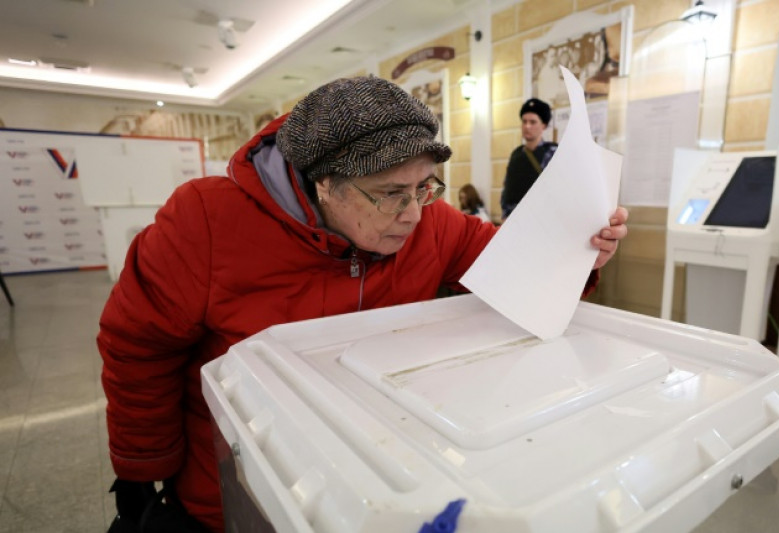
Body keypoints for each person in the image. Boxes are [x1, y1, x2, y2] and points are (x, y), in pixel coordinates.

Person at [98, 75, 628, 533]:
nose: (414, 214)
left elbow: (517, 271)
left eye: (425, 187)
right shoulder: (204, 222)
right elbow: (138, 348)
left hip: (380, 476)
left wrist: (582, 250)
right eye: (391, 192)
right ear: (324, 185)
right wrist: (144, 472)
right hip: (239, 482)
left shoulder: (433, 223)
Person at [500, 98, 558, 219]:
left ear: (544, 125)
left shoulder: (553, 153)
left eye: (533, 122)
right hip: (514, 220)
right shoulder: (516, 154)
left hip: (542, 220)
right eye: (524, 121)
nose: (527, 126)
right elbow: (508, 190)